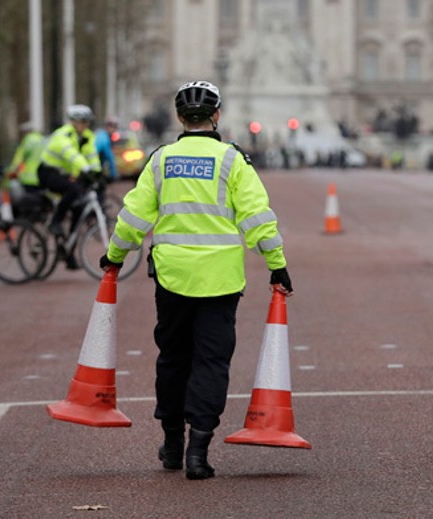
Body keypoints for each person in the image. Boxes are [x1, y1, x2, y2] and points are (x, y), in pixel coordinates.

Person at [99, 80, 293, 480]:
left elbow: (134, 217)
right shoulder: (232, 160)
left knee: (172, 359)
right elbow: (257, 216)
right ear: (216, 116)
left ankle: (172, 444)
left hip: (171, 277)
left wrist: (115, 256)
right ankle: (198, 453)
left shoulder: (162, 160)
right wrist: (277, 263)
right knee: (211, 362)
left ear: (179, 118)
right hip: (220, 279)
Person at [37, 104, 102, 241]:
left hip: (63, 174)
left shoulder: (87, 137)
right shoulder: (62, 135)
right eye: (83, 122)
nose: (85, 125)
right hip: (48, 172)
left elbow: (92, 156)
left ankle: (70, 242)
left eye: (87, 122)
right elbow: (71, 155)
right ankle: (55, 222)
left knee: (80, 203)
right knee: (72, 189)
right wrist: (87, 169)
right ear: (74, 122)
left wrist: (98, 173)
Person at [7, 122, 44, 190]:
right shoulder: (41, 139)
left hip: (29, 179)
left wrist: (11, 171)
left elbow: (19, 159)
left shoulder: (28, 139)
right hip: (42, 177)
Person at [94, 116, 119, 181]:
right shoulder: (104, 138)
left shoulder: (99, 134)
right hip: (94, 166)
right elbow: (109, 157)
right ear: (107, 127)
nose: (114, 130)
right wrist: (114, 174)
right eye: (112, 127)